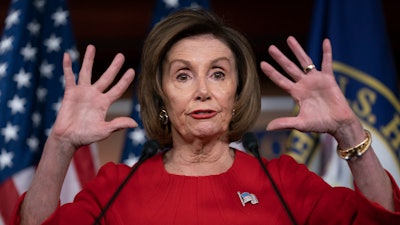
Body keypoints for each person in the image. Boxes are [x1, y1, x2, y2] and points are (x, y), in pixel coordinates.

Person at [11, 8, 400, 225]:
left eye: (218, 73)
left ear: (236, 92)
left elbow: (381, 220)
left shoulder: (285, 181)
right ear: (161, 95)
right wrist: (60, 144)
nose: (202, 90)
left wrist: (349, 130)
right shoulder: (117, 185)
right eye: (183, 75)